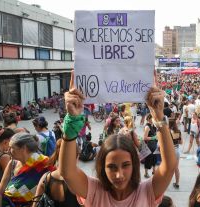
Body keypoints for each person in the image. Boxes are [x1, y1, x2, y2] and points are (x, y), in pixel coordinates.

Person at [59, 78, 176, 207]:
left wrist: (159, 117)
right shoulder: (94, 191)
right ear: (102, 167)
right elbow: (67, 172)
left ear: (134, 164)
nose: (119, 175)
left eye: (126, 165)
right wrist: (71, 121)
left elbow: (169, 167)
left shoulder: (147, 192)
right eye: (112, 167)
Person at [0, 133, 54, 207]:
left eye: (11, 147)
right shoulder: (12, 163)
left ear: (23, 148)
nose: (8, 150)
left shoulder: (44, 164)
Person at [32, 139, 80, 207]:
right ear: (77, 156)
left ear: (57, 156)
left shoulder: (45, 178)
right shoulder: (80, 181)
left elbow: (35, 204)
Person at [169, 118, 183, 189]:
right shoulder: (178, 132)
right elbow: (181, 142)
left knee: (168, 167)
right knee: (176, 168)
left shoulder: (168, 132)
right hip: (177, 149)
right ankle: (177, 183)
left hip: (170, 150)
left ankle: (165, 183)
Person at [143, 114, 158, 178]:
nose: (154, 119)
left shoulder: (153, 125)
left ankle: (154, 170)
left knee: (155, 157)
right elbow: (144, 138)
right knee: (148, 159)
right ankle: (146, 173)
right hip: (149, 145)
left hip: (154, 144)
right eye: (153, 118)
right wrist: (153, 138)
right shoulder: (147, 127)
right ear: (149, 119)